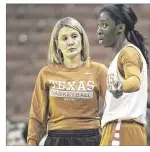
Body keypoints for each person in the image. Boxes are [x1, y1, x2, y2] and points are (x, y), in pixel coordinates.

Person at [27, 17, 108, 146]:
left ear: (81, 38)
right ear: (57, 44)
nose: (70, 42)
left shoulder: (99, 71)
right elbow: (37, 116)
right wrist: (32, 143)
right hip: (56, 140)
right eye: (64, 38)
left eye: (74, 36)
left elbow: (115, 106)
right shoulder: (46, 73)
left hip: (90, 139)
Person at [97, 4, 150, 145]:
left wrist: (120, 86)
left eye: (104, 25)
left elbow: (134, 81)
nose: (99, 31)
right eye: (98, 26)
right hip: (121, 129)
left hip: (121, 130)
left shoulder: (128, 52)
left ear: (120, 28)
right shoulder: (122, 55)